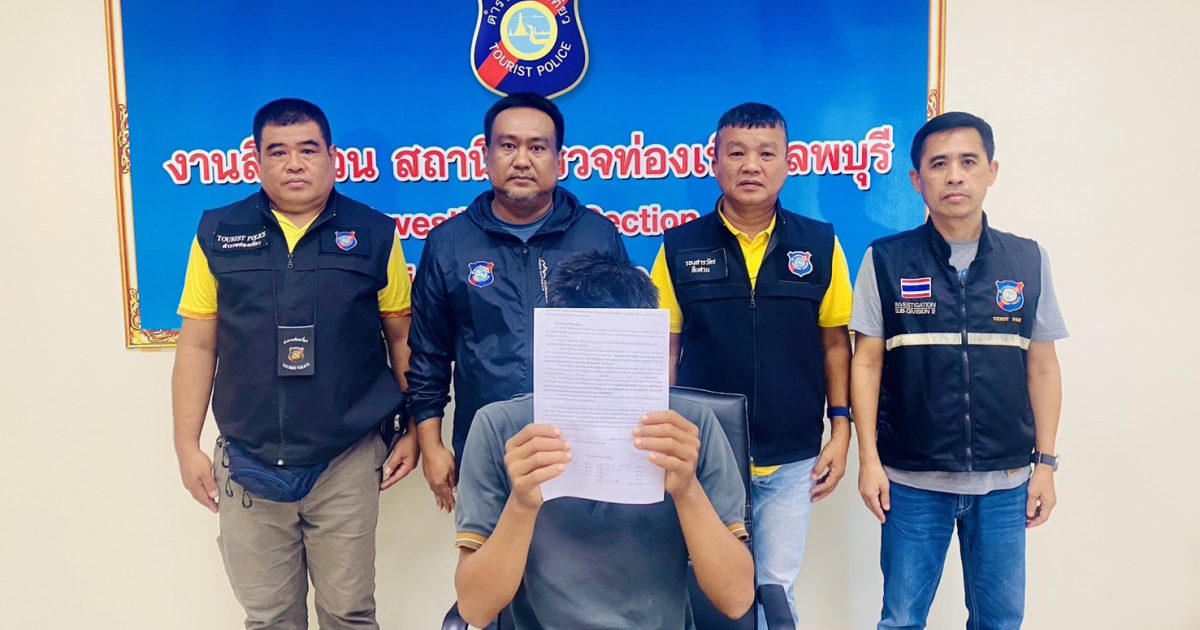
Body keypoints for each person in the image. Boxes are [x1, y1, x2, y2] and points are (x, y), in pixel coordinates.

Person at [171, 98, 418, 630]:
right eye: (278, 152)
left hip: (346, 458)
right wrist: (186, 445)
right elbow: (196, 346)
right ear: (256, 161)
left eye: (308, 150)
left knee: (349, 614)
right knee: (268, 619)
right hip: (248, 458)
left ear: (333, 157)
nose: (294, 164)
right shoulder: (218, 233)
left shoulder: (375, 234)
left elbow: (402, 338)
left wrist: (418, 429)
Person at [453, 252, 754, 628]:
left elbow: (736, 600)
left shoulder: (689, 429)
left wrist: (687, 490)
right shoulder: (502, 429)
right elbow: (475, 609)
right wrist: (522, 504)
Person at [850, 111, 1068, 629]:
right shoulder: (885, 260)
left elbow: (1043, 369)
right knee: (901, 620)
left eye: (969, 162)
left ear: (992, 171)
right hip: (911, 480)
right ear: (916, 179)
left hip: (1005, 482)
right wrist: (869, 460)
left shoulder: (1028, 260)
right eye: (939, 164)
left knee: (1000, 621)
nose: (954, 176)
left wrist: (1045, 464)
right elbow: (866, 362)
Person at [649, 102, 854, 625]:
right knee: (706, 590)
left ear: (788, 163)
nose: (751, 166)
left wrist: (841, 428)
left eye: (766, 154)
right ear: (714, 161)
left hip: (792, 456)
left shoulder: (820, 244)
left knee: (776, 591)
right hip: (706, 455)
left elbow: (836, 343)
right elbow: (664, 348)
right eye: (736, 153)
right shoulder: (679, 247)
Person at [407, 92, 628, 514]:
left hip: (581, 451)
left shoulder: (598, 238)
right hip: (487, 447)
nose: (522, 160)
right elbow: (428, 356)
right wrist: (432, 446)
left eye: (537, 147)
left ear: (559, 159)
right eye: (508, 145)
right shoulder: (449, 243)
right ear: (486, 156)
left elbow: (621, 350)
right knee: (491, 558)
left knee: (580, 557)